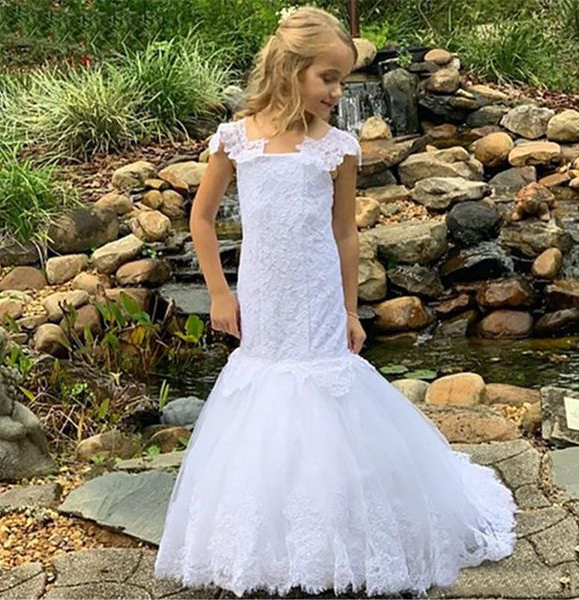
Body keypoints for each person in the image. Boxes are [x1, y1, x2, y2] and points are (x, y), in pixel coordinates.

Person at [153, 6, 518, 598]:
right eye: (328, 78)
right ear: (291, 69)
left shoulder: (338, 148)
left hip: (318, 296)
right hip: (265, 298)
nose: (336, 92)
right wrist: (220, 292)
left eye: (343, 81)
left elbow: (345, 233)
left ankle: (341, 528)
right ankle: (271, 535)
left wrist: (350, 309)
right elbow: (200, 217)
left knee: (326, 395)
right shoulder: (236, 140)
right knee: (267, 395)